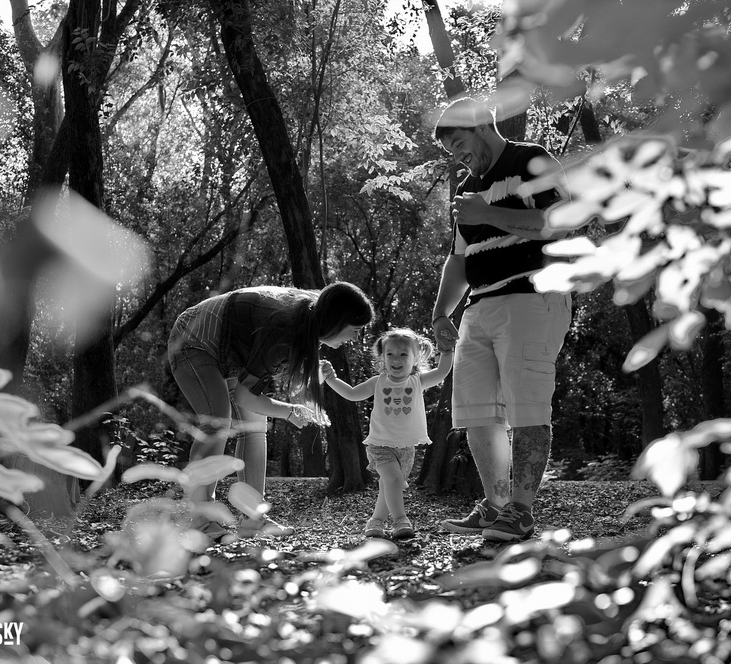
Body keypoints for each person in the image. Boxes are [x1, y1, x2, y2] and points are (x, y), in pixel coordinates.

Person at [431, 97, 572, 542]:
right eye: (451, 150)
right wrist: (440, 313)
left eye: (459, 143)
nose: (458, 155)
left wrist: (487, 213)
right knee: (476, 415)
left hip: (532, 297)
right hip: (478, 308)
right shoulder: (468, 192)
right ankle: (495, 508)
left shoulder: (530, 159)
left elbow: (560, 222)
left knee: (527, 409)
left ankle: (522, 514)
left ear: (480, 125)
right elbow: (458, 262)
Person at [167, 282, 374, 539]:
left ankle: (253, 519)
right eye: (354, 330)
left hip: (230, 354)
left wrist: (308, 378)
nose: (354, 338)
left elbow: (271, 372)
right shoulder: (285, 326)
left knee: (255, 426)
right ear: (336, 320)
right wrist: (289, 411)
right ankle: (200, 521)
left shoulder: (309, 320)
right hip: (193, 339)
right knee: (218, 421)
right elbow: (246, 396)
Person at [321, 328, 452, 539]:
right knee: (392, 481)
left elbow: (443, 371)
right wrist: (331, 379)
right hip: (380, 445)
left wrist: (447, 349)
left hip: (406, 448)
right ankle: (401, 520)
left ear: (415, 357)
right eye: (390, 354)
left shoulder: (418, 381)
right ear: (383, 357)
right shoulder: (379, 381)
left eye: (403, 354)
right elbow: (353, 394)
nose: (395, 359)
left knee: (388, 486)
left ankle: (376, 522)